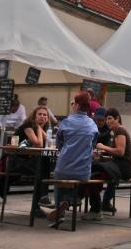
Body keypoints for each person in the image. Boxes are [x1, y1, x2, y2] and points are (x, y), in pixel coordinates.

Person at [42, 91, 98, 226]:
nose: (72, 105)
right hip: (84, 171)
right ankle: (70, 199)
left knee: (59, 177)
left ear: (77, 105)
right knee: (76, 177)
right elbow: (93, 145)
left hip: (64, 168)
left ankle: (60, 210)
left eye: (73, 103)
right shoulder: (92, 124)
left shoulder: (66, 122)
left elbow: (59, 146)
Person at [90, 107, 131, 217]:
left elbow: (120, 152)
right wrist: (104, 157)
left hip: (125, 168)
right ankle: (99, 204)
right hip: (120, 165)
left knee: (93, 169)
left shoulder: (120, 130)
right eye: (107, 119)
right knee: (95, 171)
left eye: (110, 118)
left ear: (117, 119)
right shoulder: (115, 131)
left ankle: (93, 206)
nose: (108, 121)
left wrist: (103, 147)